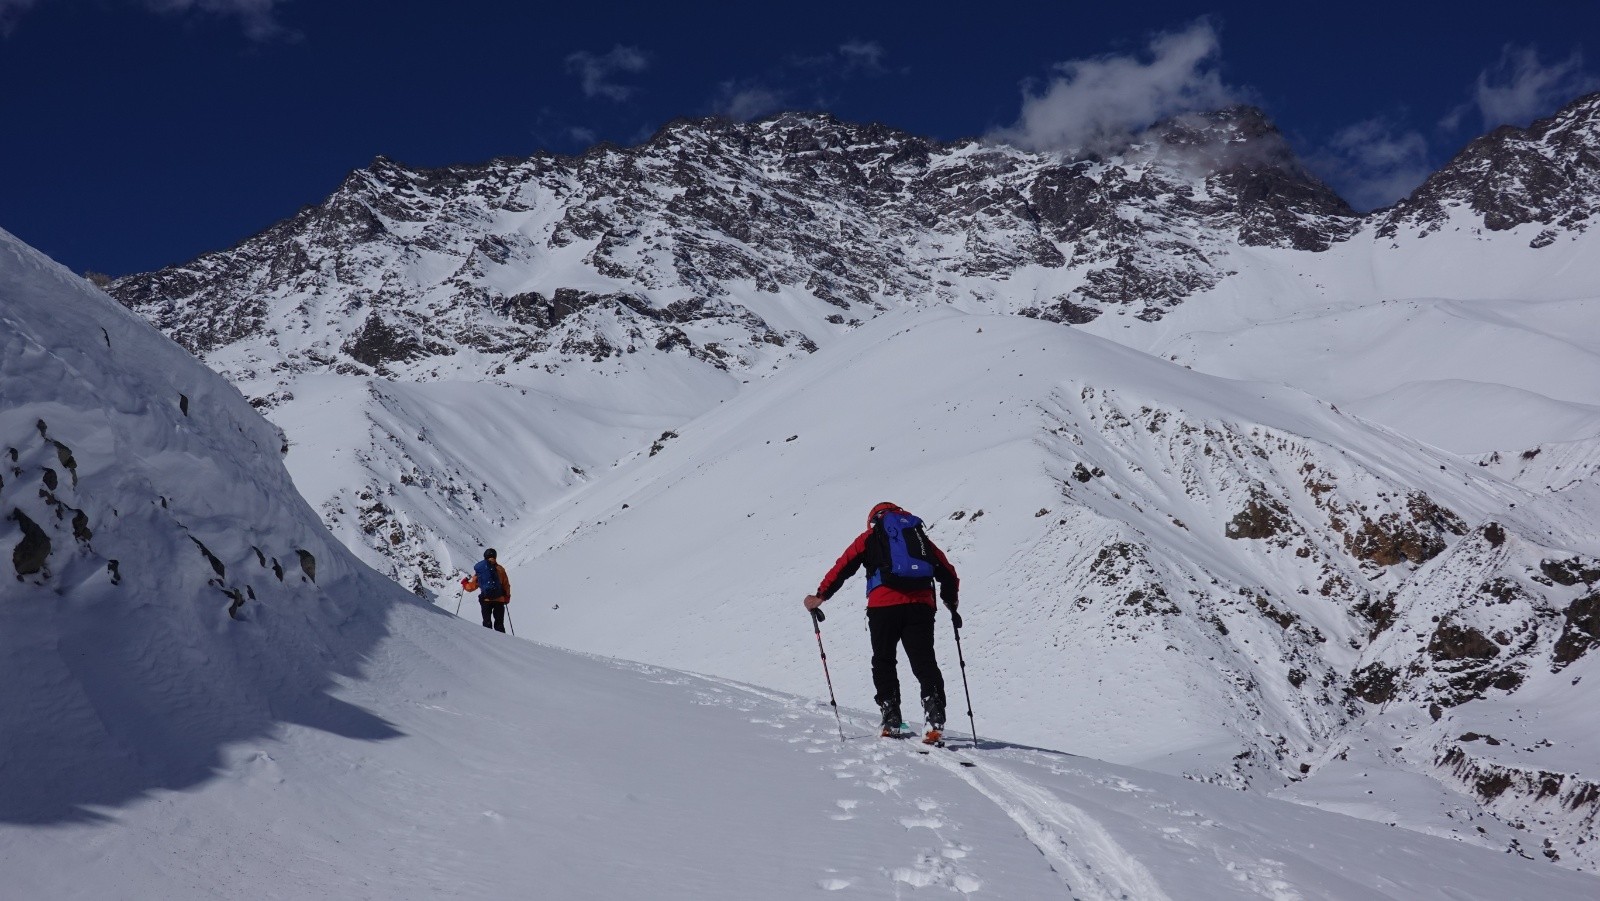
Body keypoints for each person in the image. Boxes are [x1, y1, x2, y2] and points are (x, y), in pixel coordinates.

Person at [804, 502, 960, 743]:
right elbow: (948, 572)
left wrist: (821, 595)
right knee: (924, 661)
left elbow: (843, 566)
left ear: (875, 520)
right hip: (920, 606)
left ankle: (891, 716)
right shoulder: (918, 538)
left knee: (884, 659)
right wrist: (950, 602)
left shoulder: (870, 537)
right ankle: (934, 712)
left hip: (883, 605)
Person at [460, 548, 511, 632]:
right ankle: (502, 643)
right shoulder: (500, 569)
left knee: (487, 624)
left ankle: (487, 642)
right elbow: (506, 585)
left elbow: (471, 587)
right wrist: (507, 597)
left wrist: (465, 583)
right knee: (499, 625)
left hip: (486, 600)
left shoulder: (481, 570)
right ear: (495, 556)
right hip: (499, 600)